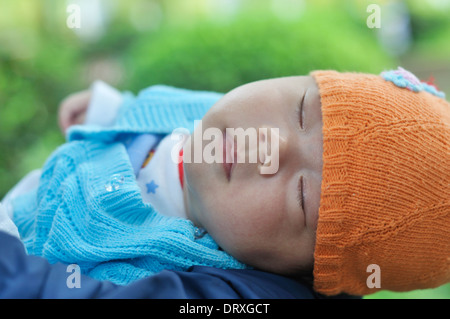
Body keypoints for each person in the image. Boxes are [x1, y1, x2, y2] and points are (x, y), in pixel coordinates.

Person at [1, 67, 449, 297]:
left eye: (301, 197)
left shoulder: (211, 285)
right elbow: (161, 108)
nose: (269, 148)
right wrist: (112, 111)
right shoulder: (217, 119)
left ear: (302, 272)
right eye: (301, 111)